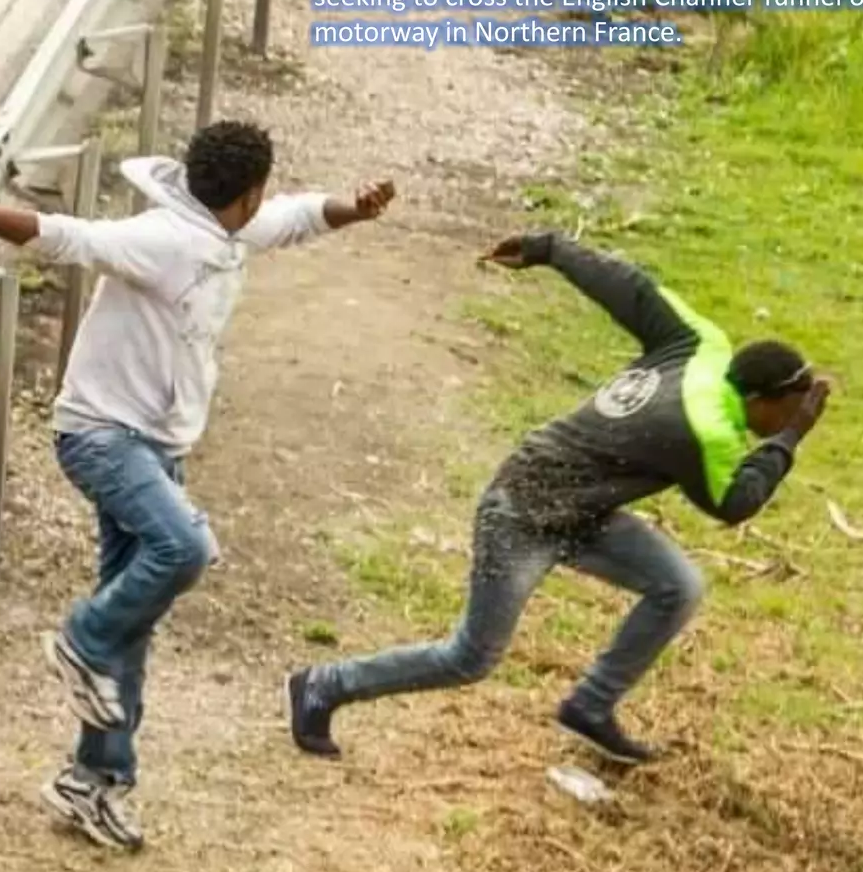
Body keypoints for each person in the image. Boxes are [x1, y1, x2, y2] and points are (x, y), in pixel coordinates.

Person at [0, 120, 397, 851]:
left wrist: (355, 207)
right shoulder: (162, 238)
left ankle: (94, 781)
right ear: (247, 194)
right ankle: (82, 639)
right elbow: (62, 235)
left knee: (136, 621)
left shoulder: (232, 229)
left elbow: (299, 218)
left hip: (157, 448)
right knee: (185, 549)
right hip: (100, 437)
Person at [287, 230, 833, 766]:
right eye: (790, 407)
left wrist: (551, 249)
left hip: (580, 509)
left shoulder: (701, 345)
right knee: (470, 657)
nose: (796, 415)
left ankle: (589, 706)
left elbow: (630, 288)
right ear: (761, 400)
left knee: (679, 585)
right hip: (522, 511)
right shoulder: (705, 431)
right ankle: (324, 684)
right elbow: (735, 503)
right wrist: (789, 440)